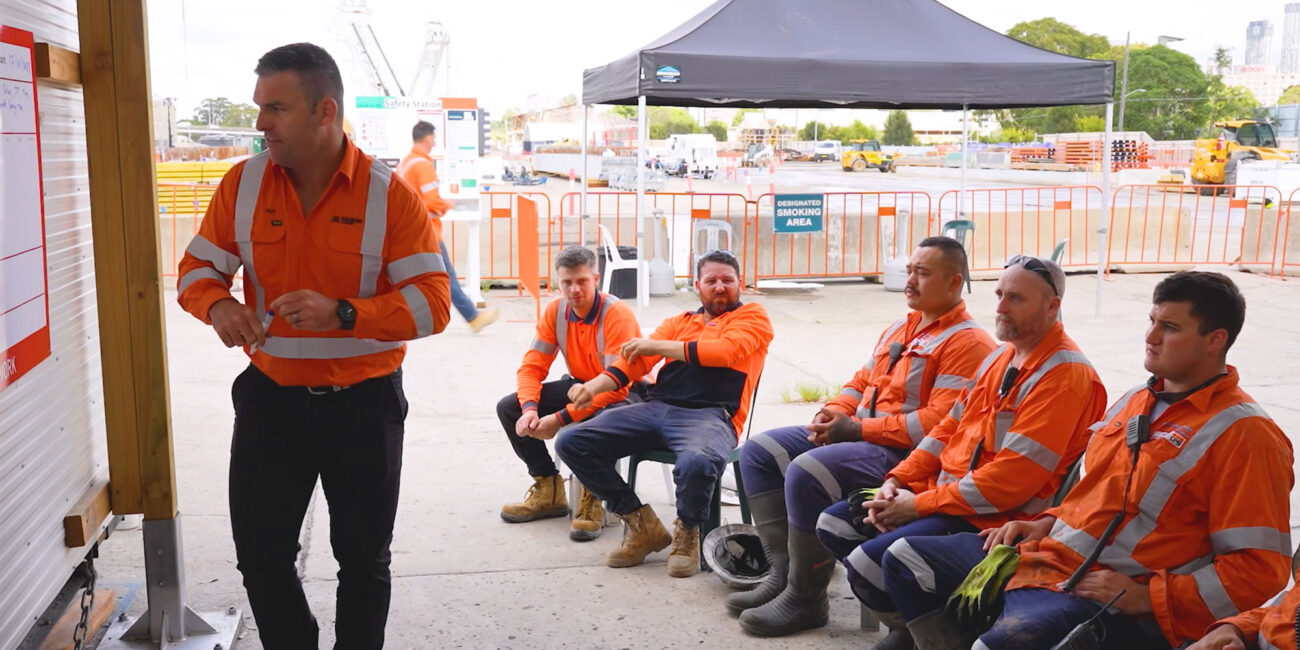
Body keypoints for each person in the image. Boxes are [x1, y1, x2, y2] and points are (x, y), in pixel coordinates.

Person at [176, 43, 450, 649]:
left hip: (365, 407)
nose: (260, 123)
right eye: (260, 107)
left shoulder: (389, 195)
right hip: (270, 402)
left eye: (275, 108)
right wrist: (218, 304)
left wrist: (345, 313)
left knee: (363, 561)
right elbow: (196, 270)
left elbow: (433, 304)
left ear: (325, 111)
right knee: (261, 558)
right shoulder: (243, 184)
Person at [884, 271, 1293, 650]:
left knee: (1004, 642)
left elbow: (1259, 570)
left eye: (1169, 327)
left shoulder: (1247, 437)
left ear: (1215, 340)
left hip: (1109, 594)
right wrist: (1046, 521)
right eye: (1151, 321)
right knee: (904, 559)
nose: (1150, 337)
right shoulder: (1137, 400)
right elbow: (1097, 492)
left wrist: (1149, 597)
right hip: (1047, 558)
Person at [815, 255, 1107, 650]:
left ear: (1052, 306)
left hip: (996, 520)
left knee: (876, 563)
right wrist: (898, 480)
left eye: (1016, 298)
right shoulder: (1000, 357)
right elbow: (947, 428)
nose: (1001, 307)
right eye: (999, 294)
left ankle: (939, 636)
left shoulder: (1065, 376)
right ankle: (913, 628)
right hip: (948, 500)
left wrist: (917, 506)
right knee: (836, 524)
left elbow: (1010, 483)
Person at [730, 237, 996, 637]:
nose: (910, 280)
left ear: (954, 282)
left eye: (923, 273)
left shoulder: (969, 343)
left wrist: (856, 429)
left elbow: (937, 424)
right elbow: (860, 381)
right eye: (910, 270)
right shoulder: (903, 326)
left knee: (807, 470)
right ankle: (782, 575)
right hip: (859, 437)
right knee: (759, 451)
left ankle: (805, 597)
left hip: (904, 455)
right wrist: (833, 412)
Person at [553, 250, 773, 578]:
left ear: (740, 283)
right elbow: (635, 362)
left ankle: (688, 532)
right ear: (697, 285)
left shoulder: (753, 317)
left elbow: (724, 353)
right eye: (711, 280)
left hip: (711, 416)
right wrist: (594, 387)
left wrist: (655, 346)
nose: (719, 286)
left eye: (727, 280)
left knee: (696, 462)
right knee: (572, 441)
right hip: (657, 408)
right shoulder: (679, 322)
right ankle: (640, 524)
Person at [496, 246, 641, 541]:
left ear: (596, 279)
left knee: (595, 421)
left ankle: (593, 495)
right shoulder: (556, 312)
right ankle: (549, 490)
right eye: (567, 282)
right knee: (509, 407)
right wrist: (529, 409)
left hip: (626, 393)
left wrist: (560, 418)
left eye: (582, 281)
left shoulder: (617, 315)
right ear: (558, 283)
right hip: (580, 384)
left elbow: (617, 386)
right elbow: (532, 367)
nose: (574, 290)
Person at [397, 120, 498, 333]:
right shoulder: (423, 166)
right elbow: (432, 202)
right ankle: (473, 317)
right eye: (433, 138)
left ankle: (471, 317)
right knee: (446, 276)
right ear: (427, 138)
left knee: (419, 278)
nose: (434, 142)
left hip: (411, 231)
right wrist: (447, 205)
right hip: (428, 233)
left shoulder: (406, 163)